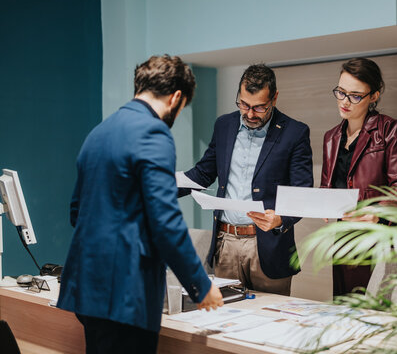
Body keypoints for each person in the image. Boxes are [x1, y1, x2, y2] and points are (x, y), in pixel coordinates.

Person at [57, 55, 223, 354]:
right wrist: (200, 284)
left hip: (89, 289)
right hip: (125, 293)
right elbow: (165, 222)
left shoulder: (99, 133)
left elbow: (76, 212)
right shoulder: (153, 132)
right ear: (176, 98)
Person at [181, 64, 313, 296]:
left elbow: (302, 192)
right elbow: (202, 174)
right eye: (244, 104)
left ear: (274, 98)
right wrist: (155, 188)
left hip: (268, 245)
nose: (250, 114)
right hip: (226, 243)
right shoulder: (224, 125)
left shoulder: (295, 132)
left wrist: (281, 219)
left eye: (259, 107)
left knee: (271, 320)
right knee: (225, 321)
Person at [320, 57, 397, 296]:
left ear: (373, 96)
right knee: (344, 309)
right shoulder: (331, 137)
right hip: (344, 238)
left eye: (355, 96)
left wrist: (377, 213)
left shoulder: (389, 130)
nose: (345, 102)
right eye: (341, 92)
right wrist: (321, 204)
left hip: (380, 237)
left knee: (376, 315)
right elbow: (327, 187)